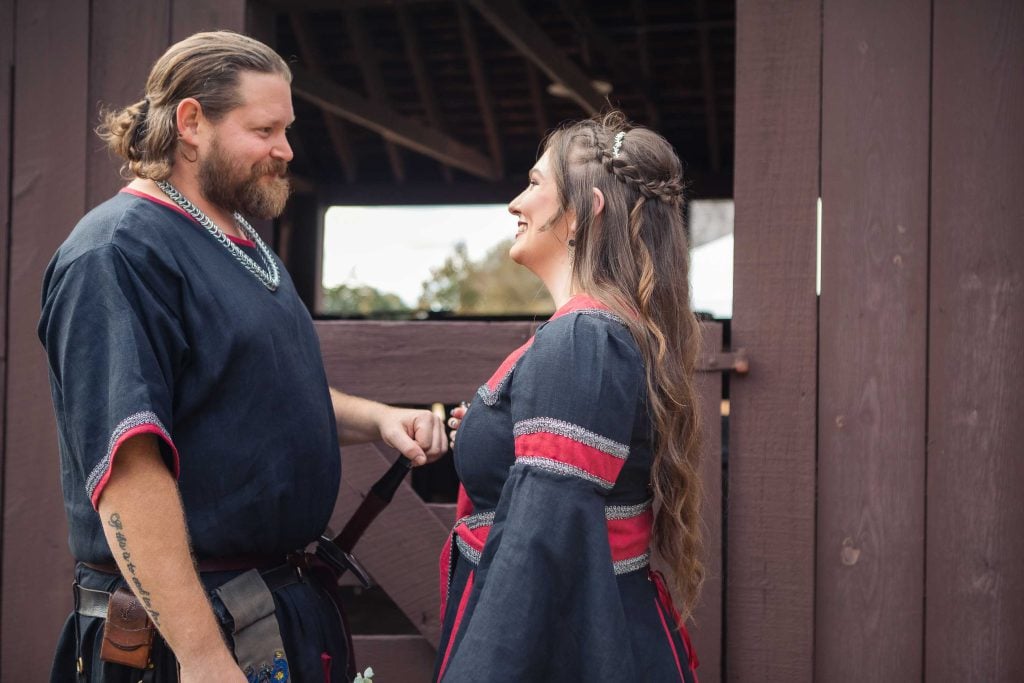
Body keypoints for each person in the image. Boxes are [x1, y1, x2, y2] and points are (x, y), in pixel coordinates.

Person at [38, 31, 445, 682]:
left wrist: (376, 420)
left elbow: (249, 392)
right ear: (192, 122)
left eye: (287, 129)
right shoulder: (116, 254)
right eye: (266, 129)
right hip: (185, 635)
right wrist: (202, 656)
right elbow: (128, 476)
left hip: (273, 609)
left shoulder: (241, 239)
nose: (286, 149)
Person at [435, 111, 702, 682]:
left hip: (568, 645)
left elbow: (540, 541)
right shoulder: (598, 333)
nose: (515, 203)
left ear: (583, 212)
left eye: (534, 184)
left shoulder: (583, 338)